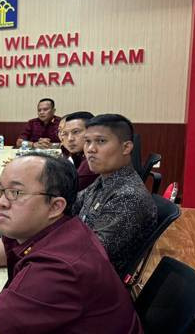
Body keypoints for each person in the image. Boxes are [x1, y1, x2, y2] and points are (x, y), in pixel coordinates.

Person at [0, 153, 142, 334]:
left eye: (16, 193)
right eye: (0, 191)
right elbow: (8, 246)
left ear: (55, 206)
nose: (0, 203)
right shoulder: (59, 228)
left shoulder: (59, 269)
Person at [73, 114, 157, 276]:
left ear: (126, 148)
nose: (90, 149)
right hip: (79, 265)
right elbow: (72, 206)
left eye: (101, 141)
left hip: (93, 282)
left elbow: (89, 255)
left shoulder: (128, 196)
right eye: (87, 141)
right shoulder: (105, 179)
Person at [62, 111, 98, 191]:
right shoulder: (78, 154)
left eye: (76, 132)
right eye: (65, 134)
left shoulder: (92, 160)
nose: (70, 139)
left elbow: (68, 192)